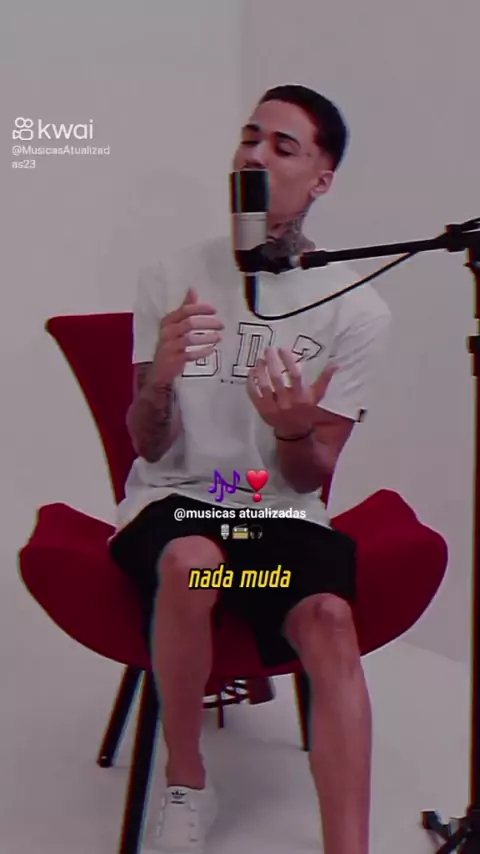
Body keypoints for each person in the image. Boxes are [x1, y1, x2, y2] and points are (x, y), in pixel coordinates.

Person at [109, 84, 391, 854]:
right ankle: (187, 780)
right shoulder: (171, 276)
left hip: (272, 511)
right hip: (180, 501)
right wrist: (159, 382)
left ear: (321, 179)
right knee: (195, 561)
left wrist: (294, 430)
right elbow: (149, 447)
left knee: (330, 620)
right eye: (250, 137)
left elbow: (306, 477)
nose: (254, 155)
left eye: (282, 146)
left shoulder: (356, 309)